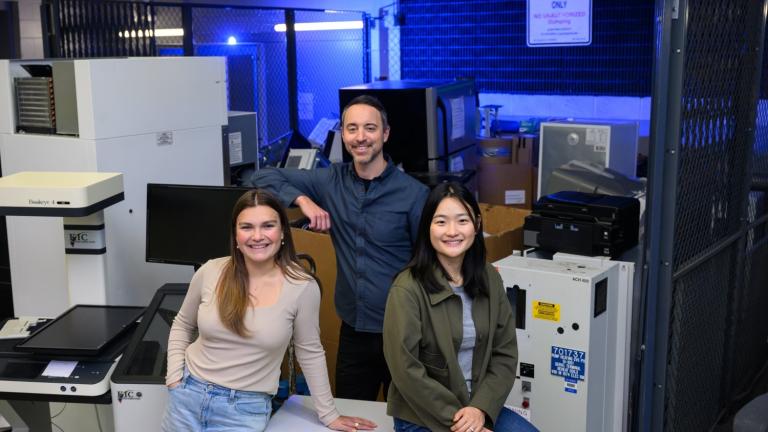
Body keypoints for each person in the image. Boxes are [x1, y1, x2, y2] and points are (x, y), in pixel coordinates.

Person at [249, 95, 429, 401]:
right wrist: (303, 201)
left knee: (408, 418)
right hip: (354, 331)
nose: (361, 137)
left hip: (403, 332)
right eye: (352, 128)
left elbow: (427, 264)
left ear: (385, 134)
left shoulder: (414, 195)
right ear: (342, 134)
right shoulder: (330, 181)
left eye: (370, 128)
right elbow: (260, 176)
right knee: (353, 415)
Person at [162, 189, 377, 432]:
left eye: (267, 226)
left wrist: (329, 414)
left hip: (243, 410)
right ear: (235, 234)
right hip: (187, 397)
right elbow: (182, 324)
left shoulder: (302, 287)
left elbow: (310, 352)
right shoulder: (211, 271)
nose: (257, 236)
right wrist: (174, 377)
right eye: (246, 227)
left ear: (283, 231)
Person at [383, 182, 539, 432]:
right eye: (441, 221)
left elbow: (505, 354)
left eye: (462, 221)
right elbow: (405, 369)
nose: (452, 231)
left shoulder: (489, 277)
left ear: (477, 225)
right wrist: (462, 422)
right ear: (427, 228)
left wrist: (479, 409)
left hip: (476, 406)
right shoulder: (407, 289)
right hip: (422, 414)